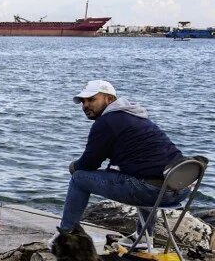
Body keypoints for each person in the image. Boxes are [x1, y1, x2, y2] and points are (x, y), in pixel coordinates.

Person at [58, 79, 188, 241]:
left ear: (109, 99)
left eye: (91, 99)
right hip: (179, 190)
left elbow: (89, 163)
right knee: (144, 175)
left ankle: (66, 236)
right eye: (83, 101)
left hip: (152, 193)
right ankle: (143, 237)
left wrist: (73, 166)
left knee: (79, 178)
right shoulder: (137, 117)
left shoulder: (106, 122)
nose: (85, 105)